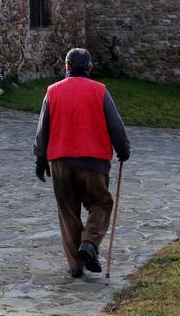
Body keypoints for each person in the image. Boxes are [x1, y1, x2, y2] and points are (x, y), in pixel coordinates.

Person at [33, 47, 130, 278]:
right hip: (94, 161)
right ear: (90, 68)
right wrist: (123, 150)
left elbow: (42, 128)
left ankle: (76, 266)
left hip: (60, 161)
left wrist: (40, 157)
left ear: (66, 67)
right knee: (101, 203)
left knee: (68, 212)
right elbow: (115, 126)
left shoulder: (52, 91)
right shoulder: (100, 91)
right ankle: (89, 243)